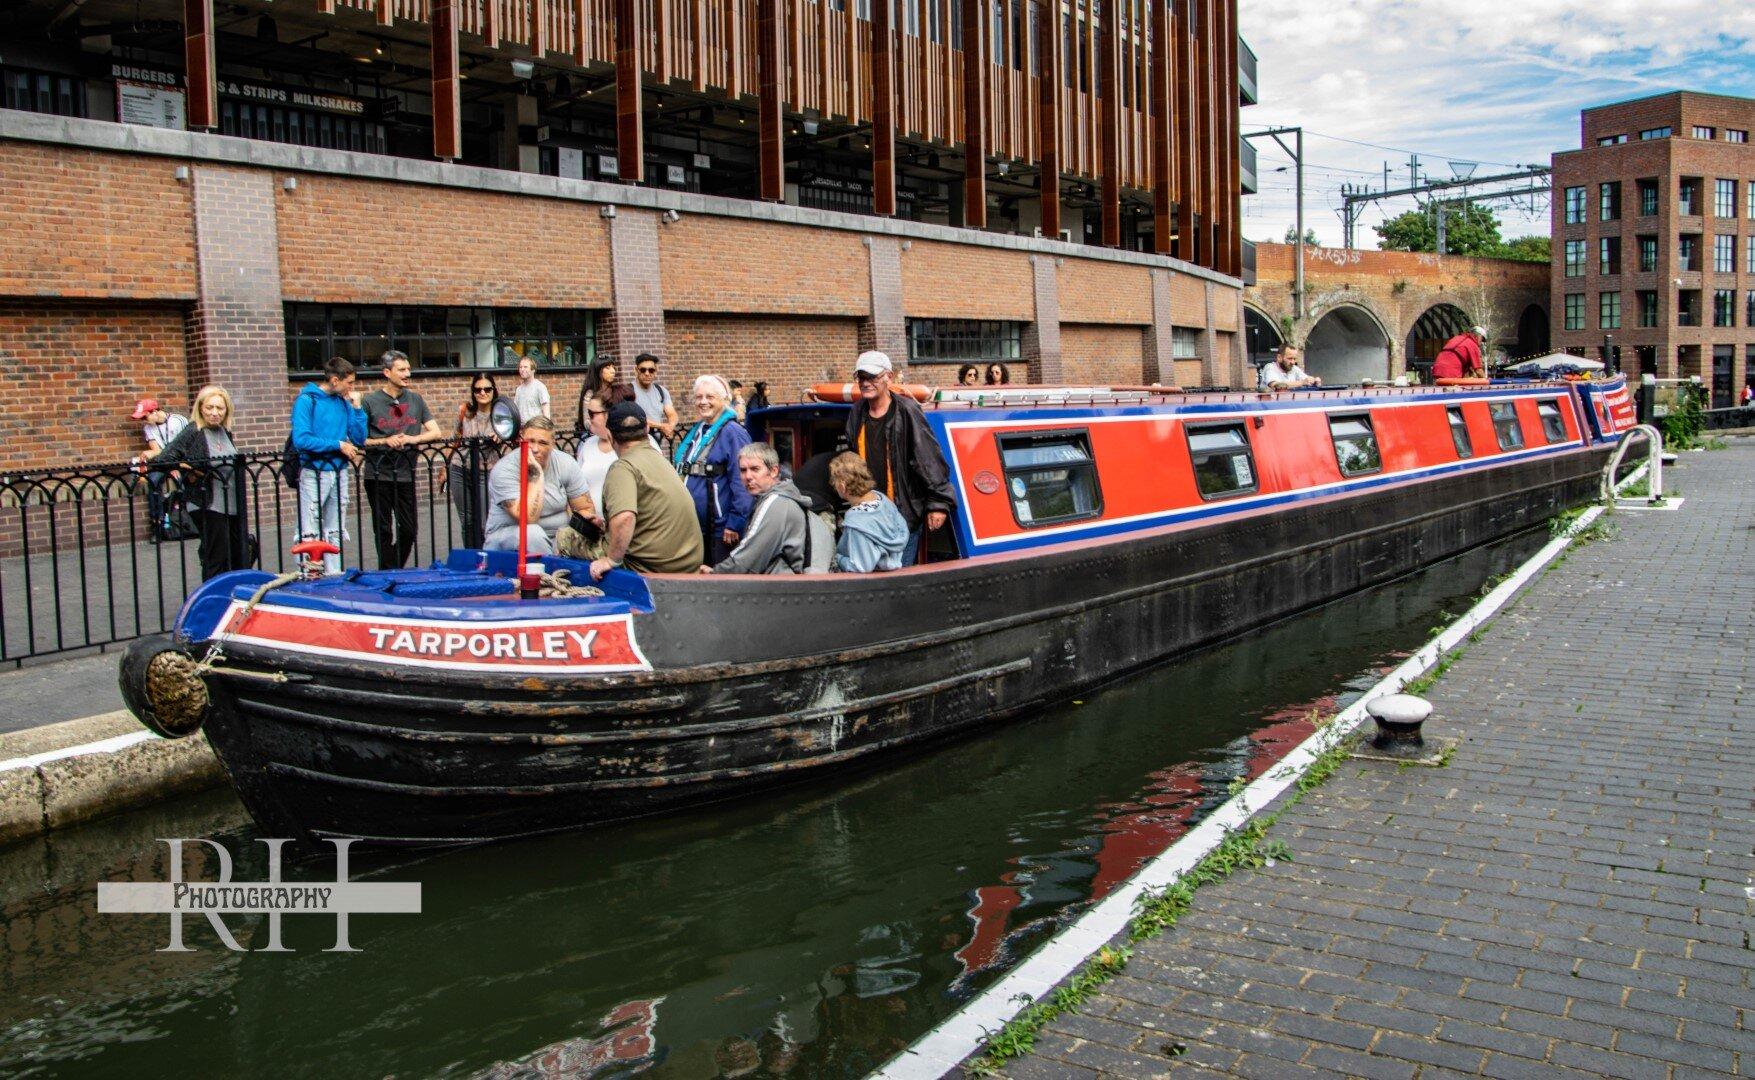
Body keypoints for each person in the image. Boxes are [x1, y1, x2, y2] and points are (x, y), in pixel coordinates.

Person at [840, 351, 954, 567]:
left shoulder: (907, 411)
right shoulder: (857, 411)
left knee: (897, 573)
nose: (865, 383)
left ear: (888, 377)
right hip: (870, 514)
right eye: (861, 377)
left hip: (902, 514)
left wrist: (938, 503)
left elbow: (928, 460)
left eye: (872, 377)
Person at [590, 403, 704, 580]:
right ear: (647, 429)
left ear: (610, 436)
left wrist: (611, 560)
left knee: (567, 537)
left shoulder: (622, 468)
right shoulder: (660, 460)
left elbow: (624, 518)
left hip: (651, 569)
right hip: (687, 564)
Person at [360, 350, 442, 569]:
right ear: (387, 372)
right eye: (402, 370)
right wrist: (385, 441)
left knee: (409, 529)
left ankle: (390, 568)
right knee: (383, 529)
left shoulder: (415, 399)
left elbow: (436, 432)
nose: (407, 374)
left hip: (405, 473)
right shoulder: (370, 402)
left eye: (408, 369)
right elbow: (358, 440)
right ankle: (388, 571)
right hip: (378, 474)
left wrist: (412, 438)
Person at [157, 385, 246, 581]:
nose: (214, 413)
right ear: (200, 408)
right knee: (216, 555)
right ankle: (211, 600)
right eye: (210, 407)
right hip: (207, 502)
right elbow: (163, 459)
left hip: (230, 502)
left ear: (227, 411)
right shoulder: (194, 431)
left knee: (237, 551)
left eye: (219, 408)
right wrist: (189, 469)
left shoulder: (225, 431)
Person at [701, 443, 830, 575]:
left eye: (755, 469)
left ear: (774, 471)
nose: (748, 476)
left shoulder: (776, 503)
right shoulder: (777, 499)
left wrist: (716, 573)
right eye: (743, 470)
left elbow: (749, 557)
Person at [483, 415, 601, 557]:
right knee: (532, 533)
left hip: (555, 539)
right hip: (506, 540)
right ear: (521, 440)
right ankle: (550, 574)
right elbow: (527, 518)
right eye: (530, 441)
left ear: (552, 444)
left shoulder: (566, 463)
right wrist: (536, 474)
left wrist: (583, 525)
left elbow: (585, 508)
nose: (535, 449)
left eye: (543, 443)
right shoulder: (504, 469)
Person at [290, 357, 367, 574]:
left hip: (338, 470)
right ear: (335, 380)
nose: (352, 388)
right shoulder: (307, 400)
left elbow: (359, 438)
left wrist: (358, 408)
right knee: (309, 526)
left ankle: (334, 574)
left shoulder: (343, 402)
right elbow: (302, 439)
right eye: (349, 383)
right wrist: (338, 445)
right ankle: (308, 573)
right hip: (314, 470)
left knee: (335, 527)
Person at [672, 374, 754, 564]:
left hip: (721, 530)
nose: (703, 402)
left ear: (724, 400)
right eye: (699, 397)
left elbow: (743, 481)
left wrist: (735, 522)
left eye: (710, 397)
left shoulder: (733, 433)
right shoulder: (700, 430)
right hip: (695, 527)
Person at [452, 373, 509, 548]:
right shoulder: (465, 412)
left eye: (487, 389)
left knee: (486, 521)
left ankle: (486, 558)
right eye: (477, 389)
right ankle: (471, 557)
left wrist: (502, 438)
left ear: (493, 390)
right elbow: (455, 439)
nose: (482, 393)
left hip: (488, 470)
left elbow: (513, 438)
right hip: (460, 467)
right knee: (467, 521)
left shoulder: (502, 414)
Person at [828, 453, 909, 573]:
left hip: (870, 585)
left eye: (834, 481)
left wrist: (837, 558)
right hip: (894, 574)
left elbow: (861, 567)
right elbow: (903, 529)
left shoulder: (856, 522)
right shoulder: (883, 500)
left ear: (842, 486)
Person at [131, 397, 189, 540]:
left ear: (155, 411)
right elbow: (156, 450)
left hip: (181, 461)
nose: (144, 421)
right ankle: (157, 525)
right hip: (163, 463)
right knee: (153, 482)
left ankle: (186, 523)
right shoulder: (148, 428)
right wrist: (148, 454)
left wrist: (176, 464)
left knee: (184, 484)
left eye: (145, 417)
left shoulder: (179, 420)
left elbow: (187, 445)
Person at [573, 393, 620, 512]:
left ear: (607, 414)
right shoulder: (587, 445)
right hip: (593, 524)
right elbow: (577, 486)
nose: (588, 419)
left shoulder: (626, 445)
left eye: (591, 414)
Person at [630, 353, 680, 440]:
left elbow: (672, 414)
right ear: (636, 370)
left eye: (651, 370)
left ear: (656, 371)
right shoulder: (628, 391)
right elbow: (634, 418)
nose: (647, 373)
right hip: (635, 441)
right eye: (643, 370)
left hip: (656, 441)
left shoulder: (661, 391)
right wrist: (661, 426)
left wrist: (670, 427)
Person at [576, 357, 633, 433]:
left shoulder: (617, 391)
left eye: (613, 367)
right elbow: (586, 422)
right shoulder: (590, 394)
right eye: (607, 368)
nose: (613, 371)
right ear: (597, 370)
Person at [512, 355, 551, 422]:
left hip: (535, 428)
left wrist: (546, 428)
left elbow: (546, 412)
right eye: (520, 367)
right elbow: (516, 410)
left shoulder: (540, 387)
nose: (522, 369)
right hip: (522, 428)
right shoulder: (519, 389)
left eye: (525, 367)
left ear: (533, 370)